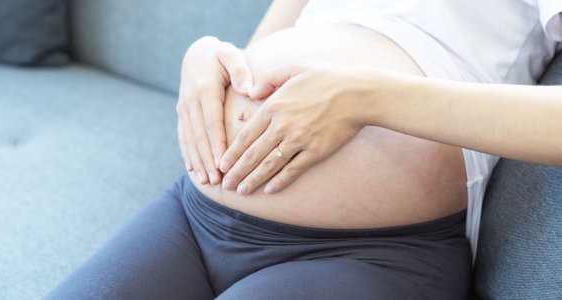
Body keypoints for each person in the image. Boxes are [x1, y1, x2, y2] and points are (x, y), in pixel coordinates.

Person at [46, 0, 562, 299]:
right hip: (194, 212)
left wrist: (365, 97)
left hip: (373, 253)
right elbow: (261, 51)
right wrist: (207, 58)